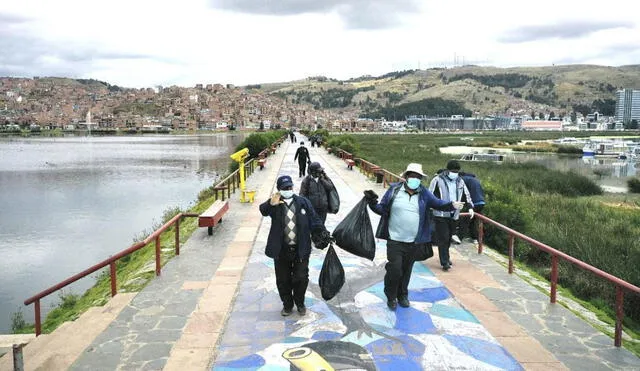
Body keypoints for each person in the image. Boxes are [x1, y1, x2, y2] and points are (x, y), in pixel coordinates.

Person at [364, 163, 463, 310]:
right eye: (412, 176)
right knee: (395, 269)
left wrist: (452, 205)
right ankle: (391, 296)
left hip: (414, 241)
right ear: (406, 177)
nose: (415, 179)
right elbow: (382, 209)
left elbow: (438, 203)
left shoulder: (423, 193)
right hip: (395, 239)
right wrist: (372, 203)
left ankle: (402, 295)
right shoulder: (394, 190)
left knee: (406, 269)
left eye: (418, 177)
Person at [259, 175, 331, 316]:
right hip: (281, 250)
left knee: (301, 278)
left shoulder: (303, 202)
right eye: (285, 188)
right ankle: (287, 305)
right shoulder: (275, 204)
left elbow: (314, 220)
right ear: (279, 190)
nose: (288, 190)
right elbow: (263, 210)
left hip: (301, 249)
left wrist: (324, 233)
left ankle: (300, 303)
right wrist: (270, 203)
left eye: (290, 187)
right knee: (283, 279)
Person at [429, 160, 474, 271]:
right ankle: (444, 262)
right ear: (447, 170)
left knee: (449, 237)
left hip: (454, 214)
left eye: (457, 171)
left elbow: (466, 195)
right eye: (453, 171)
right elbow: (429, 194)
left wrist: (470, 207)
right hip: (440, 213)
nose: (455, 173)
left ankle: (446, 257)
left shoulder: (460, 181)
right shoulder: (437, 180)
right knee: (443, 237)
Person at [459, 171, 485, 244]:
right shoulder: (475, 180)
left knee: (464, 220)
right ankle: (475, 238)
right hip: (481, 202)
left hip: (473, 203)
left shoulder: (463, 179)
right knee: (473, 221)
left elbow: (463, 192)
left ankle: (459, 238)